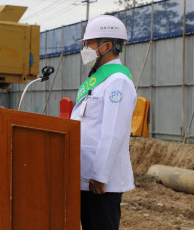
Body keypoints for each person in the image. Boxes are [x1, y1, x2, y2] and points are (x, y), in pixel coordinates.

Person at [70, 15, 137, 230]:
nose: (85, 50)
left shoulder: (118, 81)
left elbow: (113, 132)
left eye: (88, 44)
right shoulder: (99, 79)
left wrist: (100, 175)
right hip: (84, 176)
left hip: (100, 183)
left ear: (106, 46)